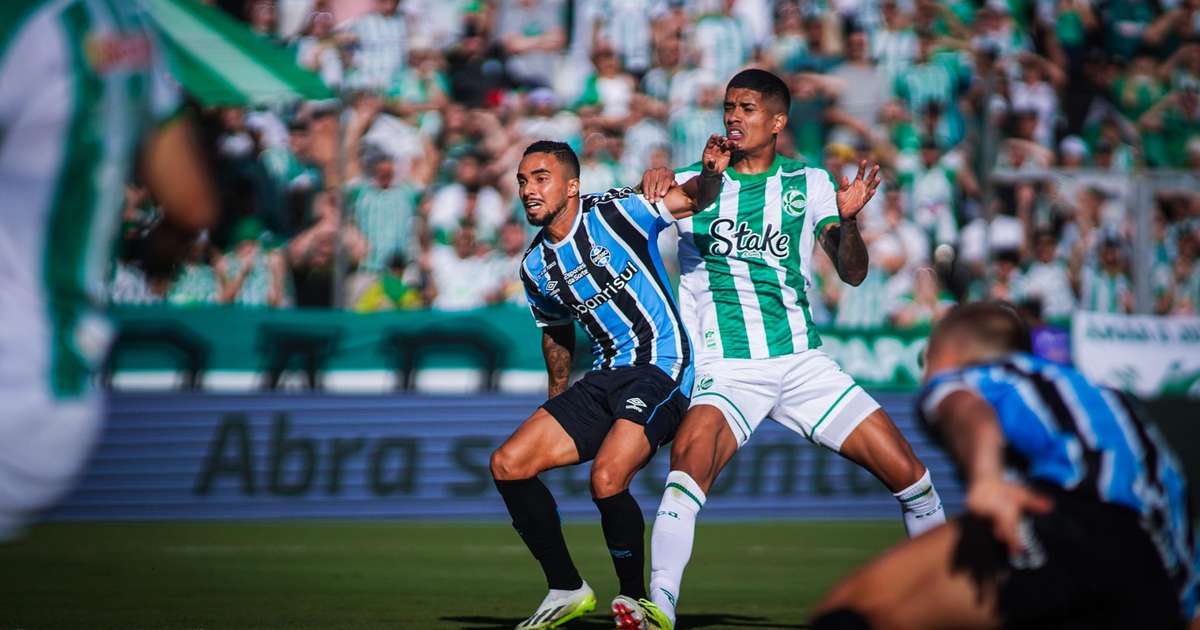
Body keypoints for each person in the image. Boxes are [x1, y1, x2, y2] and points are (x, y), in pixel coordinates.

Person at [638, 69, 945, 628]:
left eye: (748, 108)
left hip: (803, 363)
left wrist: (849, 221)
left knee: (914, 480)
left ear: (777, 121)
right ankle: (659, 606)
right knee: (687, 467)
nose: (734, 117)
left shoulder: (811, 182)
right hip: (728, 367)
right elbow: (637, 213)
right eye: (729, 106)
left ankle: (946, 607)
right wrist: (657, 179)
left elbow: (852, 273)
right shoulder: (690, 182)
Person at [811, 301, 1199, 630]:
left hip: (1066, 521)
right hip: (1157, 572)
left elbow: (967, 410)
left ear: (944, 353)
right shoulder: (1105, 397)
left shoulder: (972, 376)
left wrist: (986, 480)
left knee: (857, 607)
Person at [490, 138, 729, 629]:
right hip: (602, 376)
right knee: (508, 464)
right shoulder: (535, 265)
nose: (528, 190)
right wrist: (558, 402)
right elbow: (556, 333)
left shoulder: (617, 212)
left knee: (606, 478)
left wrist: (708, 174)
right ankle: (566, 587)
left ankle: (637, 600)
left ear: (572, 185)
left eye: (540, 178)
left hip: (662, 365)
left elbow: (693, 199)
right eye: (522, 180)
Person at [0, 0, 216, 539]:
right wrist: (161, 251)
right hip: (63, 381)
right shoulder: (130, 25)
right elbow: (192, 206)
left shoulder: (20, 22)